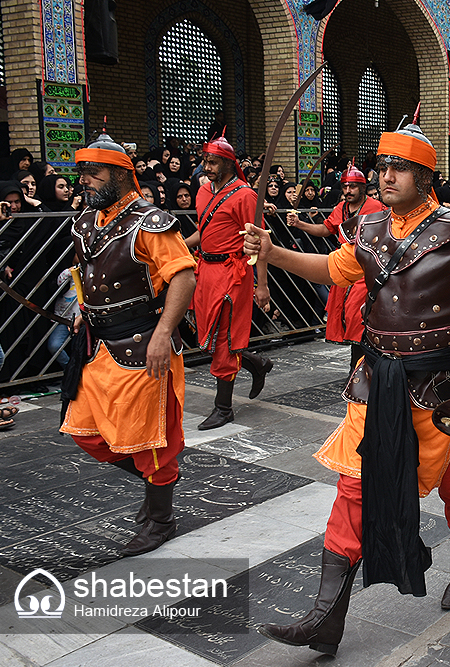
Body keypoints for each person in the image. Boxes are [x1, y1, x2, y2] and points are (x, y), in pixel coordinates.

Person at [246, 118, 450, 658]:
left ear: (425, 176)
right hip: (376, 385)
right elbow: (331, 268)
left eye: (398, 168)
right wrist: (274, 253)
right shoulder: (369, 231)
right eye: (382, 167)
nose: (386, 176)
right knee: (353, 489)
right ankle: (327, 616)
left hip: (445, 388)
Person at [60, 131, 196, 556]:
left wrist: (161, 336)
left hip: (143, 346)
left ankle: (160, 519)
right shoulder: (85, 222)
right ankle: (158, 491)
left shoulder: (149, 221)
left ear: (120, 175)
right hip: (98, 345)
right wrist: (82, 306)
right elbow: (88, 275)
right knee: (85, 431)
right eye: (81, 171)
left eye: (93, 172)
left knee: (152, 443)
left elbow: (183, 276)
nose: (85, 179)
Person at [183, 134, 273, 430]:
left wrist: (263, 285)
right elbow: (203, 232)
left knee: (225, 339)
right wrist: (178, 246)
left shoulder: (245, 195)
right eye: (204, 161)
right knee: (208, 336)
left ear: (228, 163)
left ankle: (223, 408)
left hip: (233, 272)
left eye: (212, 161)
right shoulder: (201, 192)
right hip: (205, 270)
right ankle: (256, 363)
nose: (206, 166)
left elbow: (258, 240)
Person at [287, 163, 385, 365]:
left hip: (366, 271)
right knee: (348, 321)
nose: (348, 191)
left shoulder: (377, 208)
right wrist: (299, 224)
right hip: (343, 269)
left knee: (360, 321)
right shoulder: (340, 208)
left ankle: (358, 369)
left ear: (362, 187)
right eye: (345, 187)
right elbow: (326, 229)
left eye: (353, 187)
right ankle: (358, 369)